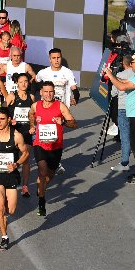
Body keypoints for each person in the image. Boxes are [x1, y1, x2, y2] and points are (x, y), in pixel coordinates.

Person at [0, 107, 29, 250]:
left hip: (11, 176)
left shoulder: (16, 136)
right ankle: (4, 236)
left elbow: (25, 153)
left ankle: (1, 217)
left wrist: (16, 164)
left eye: (2, 119)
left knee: (11, 210)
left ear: (9, 119)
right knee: (0, 207)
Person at [103, 52, 135, 185]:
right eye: (130, 63)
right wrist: (112, 75)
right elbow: (124, 81)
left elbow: (121, 86)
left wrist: (109, 75)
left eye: (133, 62)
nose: (131, 64)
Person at [28, 81, 78, 216]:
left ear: (54, 92)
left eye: (51, 92)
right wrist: (32, 126)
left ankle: (41, 188)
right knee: (42, 172)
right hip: (40, 144)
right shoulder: (35, 105)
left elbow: (74, 124)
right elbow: (31, 114)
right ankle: (42, 202)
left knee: (50, 175)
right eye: (46, 92)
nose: (48, 94)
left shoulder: (60, 106)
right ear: (41, 93)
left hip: (56, 146)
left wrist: (63, 122)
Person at [5, 72, 36, 197]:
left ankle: (25, 186)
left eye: (26, 81)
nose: (24, 84)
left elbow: (33, 115)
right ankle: (10, 181)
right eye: (21, 81)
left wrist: (33, 127)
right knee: (12, 157)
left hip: (27, 132)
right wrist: (9, 121)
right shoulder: (12, 96)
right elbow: (2, 113)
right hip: (14, 132)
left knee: (26, 159)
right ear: (17, 83)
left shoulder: (32, 97)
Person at [109, 55, 134, 173]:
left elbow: (114, 93)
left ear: (123, 64)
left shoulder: (119, 76)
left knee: (125, 136)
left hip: (123, 108)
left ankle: (125, 162)